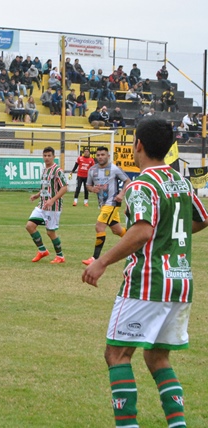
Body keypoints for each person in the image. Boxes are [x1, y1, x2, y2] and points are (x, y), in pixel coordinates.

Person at [82, 117, 208, 428]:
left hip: (148, 282)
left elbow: (141, 231)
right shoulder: (181, 181)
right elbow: (202, 219)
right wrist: (168, 238)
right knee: (157, 358)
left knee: (117, 355)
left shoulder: (141, 184)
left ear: (138, 145)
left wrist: (102, 262)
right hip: (180, 282)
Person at [81, 147, 131, 265]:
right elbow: (88, 185)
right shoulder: (92, 170)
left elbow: (128, 181)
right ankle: (139, 244)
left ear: (108, 156)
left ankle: (95, 258)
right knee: (117, 230)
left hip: (112, 202)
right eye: (98, 155)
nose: (100, 157)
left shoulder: (114, 169)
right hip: (102, 204)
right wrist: (93, 189)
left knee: (99, 227)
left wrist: (121, 193)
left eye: (103, 154)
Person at [25, 146, 68, 264]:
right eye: (45, 155)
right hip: (42, 204)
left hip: (53, 206)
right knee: (29, 226)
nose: (47, 158)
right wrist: (37, 195)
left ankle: (60, 256)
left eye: (49, 155)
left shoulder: (57, 170)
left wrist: (53, 200)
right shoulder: (44, 170)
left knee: (50, 232)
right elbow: (46, 187)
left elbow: (64, 188)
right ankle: (42, 250)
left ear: (54, 157)